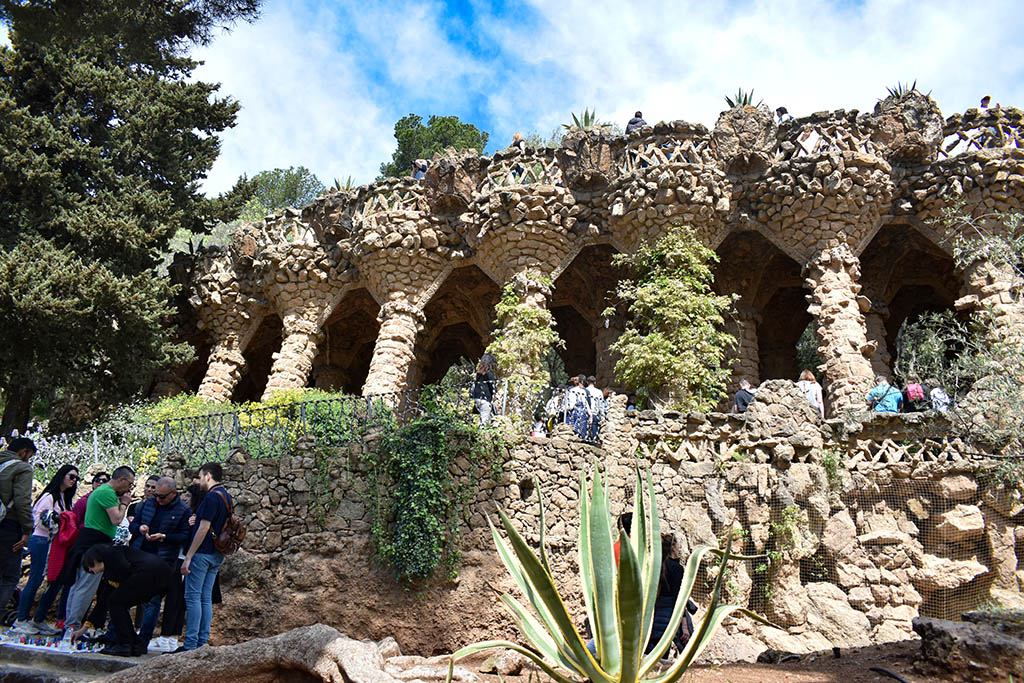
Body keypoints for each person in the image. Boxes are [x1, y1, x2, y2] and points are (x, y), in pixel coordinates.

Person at [61, 465, 136, 642]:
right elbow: (117, 519)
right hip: (95, 543)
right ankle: (72, 626)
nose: (129, 489)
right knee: (85, 586)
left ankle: (70, 625)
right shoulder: (107, 493)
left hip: (92, 541)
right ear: (122, 480)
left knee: (79, 585)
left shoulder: (103, 492)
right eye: (130, 484)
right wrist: (125, 503)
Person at [13, 464, 78, 635]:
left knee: (56, 581)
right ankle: (21, 618)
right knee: (36, 578)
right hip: (41, 539)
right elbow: (38, 518)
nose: (74, 480)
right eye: (71, 476)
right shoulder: (50, 496)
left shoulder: (66, 498)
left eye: (76, 478)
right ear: (62, 475)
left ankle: (38, 619)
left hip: (56, 544)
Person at [129, 477, 191, 652]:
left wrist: (165, 537)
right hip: (140, 554)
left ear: (173, 493)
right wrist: (140, 528)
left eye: (162, 497)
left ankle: (143, 641)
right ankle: (122, 635)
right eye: (156, 495)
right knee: (126, 595)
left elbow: (185, 536)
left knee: (153, 601)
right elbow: (132, 526)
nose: (158, 499)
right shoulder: (147, 504)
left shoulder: (183, 510)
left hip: (162, 559)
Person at [81, 543, 172, 656]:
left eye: (91, 566)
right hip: (161, 574)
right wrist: (84, 628)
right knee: (118, 603)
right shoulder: (113, 561)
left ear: (96, 558)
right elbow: (103, 600)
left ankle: (125, 644)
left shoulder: (111, 556)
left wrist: (120, 585)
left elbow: (124, 569)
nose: (91, 570)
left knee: (115, 602)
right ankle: (136, 643)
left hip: (147, 573)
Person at [179, 462, 233, 652]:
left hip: (202, 553)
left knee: (193, 597)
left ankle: (191, 644)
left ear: (208, 476)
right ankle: (202, 642)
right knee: (205, 598)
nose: (199, 480)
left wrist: (188, 556)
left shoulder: (210, 497)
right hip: (217, 554)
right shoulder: (226, 496)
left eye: (200, 476)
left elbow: (203, 528)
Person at [0, 437, 36, 618]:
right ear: (23, 452)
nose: (28, 460)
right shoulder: (22, 468)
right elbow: (22, 501)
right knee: (9, 576)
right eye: (29, 456)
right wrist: (27, 530)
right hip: (8, 526)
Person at [471, 353, 497, 426]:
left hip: (477, 398)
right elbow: (492, 387)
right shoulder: (489, 373)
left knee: (482, 419)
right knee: (484, 422)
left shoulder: (479, 374)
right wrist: (495, 395)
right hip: (485, 400)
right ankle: (480, 436)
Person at [585, 376, 604, 440]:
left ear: (587, 382)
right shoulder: (599, 392)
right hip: (594, 414)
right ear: (595, 382)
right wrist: (602, 417)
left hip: (585, 414)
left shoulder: (584, 391)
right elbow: (601, 406)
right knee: (594, 434)